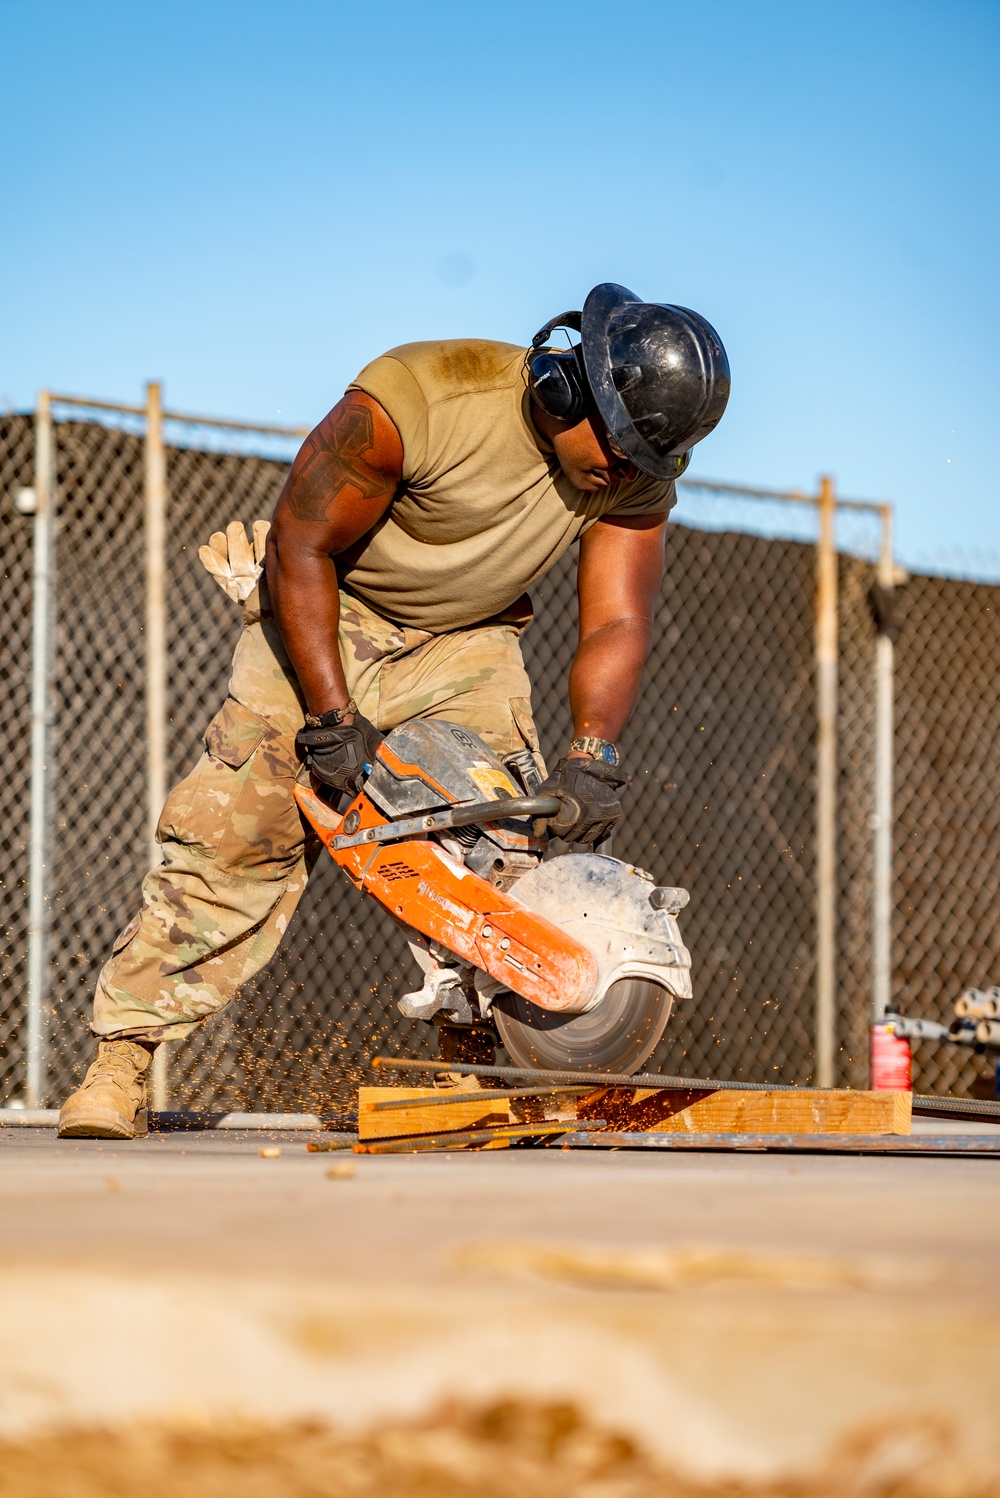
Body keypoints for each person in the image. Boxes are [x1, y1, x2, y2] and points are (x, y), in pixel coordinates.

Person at [57, 282, 730, 1139]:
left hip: (467, 642)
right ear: (566, 385)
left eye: (649, 460)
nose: (627, 473)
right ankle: (121, 1062)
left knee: (503, 843)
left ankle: (480, 1064)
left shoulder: (632, 473)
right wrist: (333, 720)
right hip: (324, 614)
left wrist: (594, 753)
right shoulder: (414, 403)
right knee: (240, 833)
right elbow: (301, 544)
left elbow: (617, 619)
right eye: (621, 448)